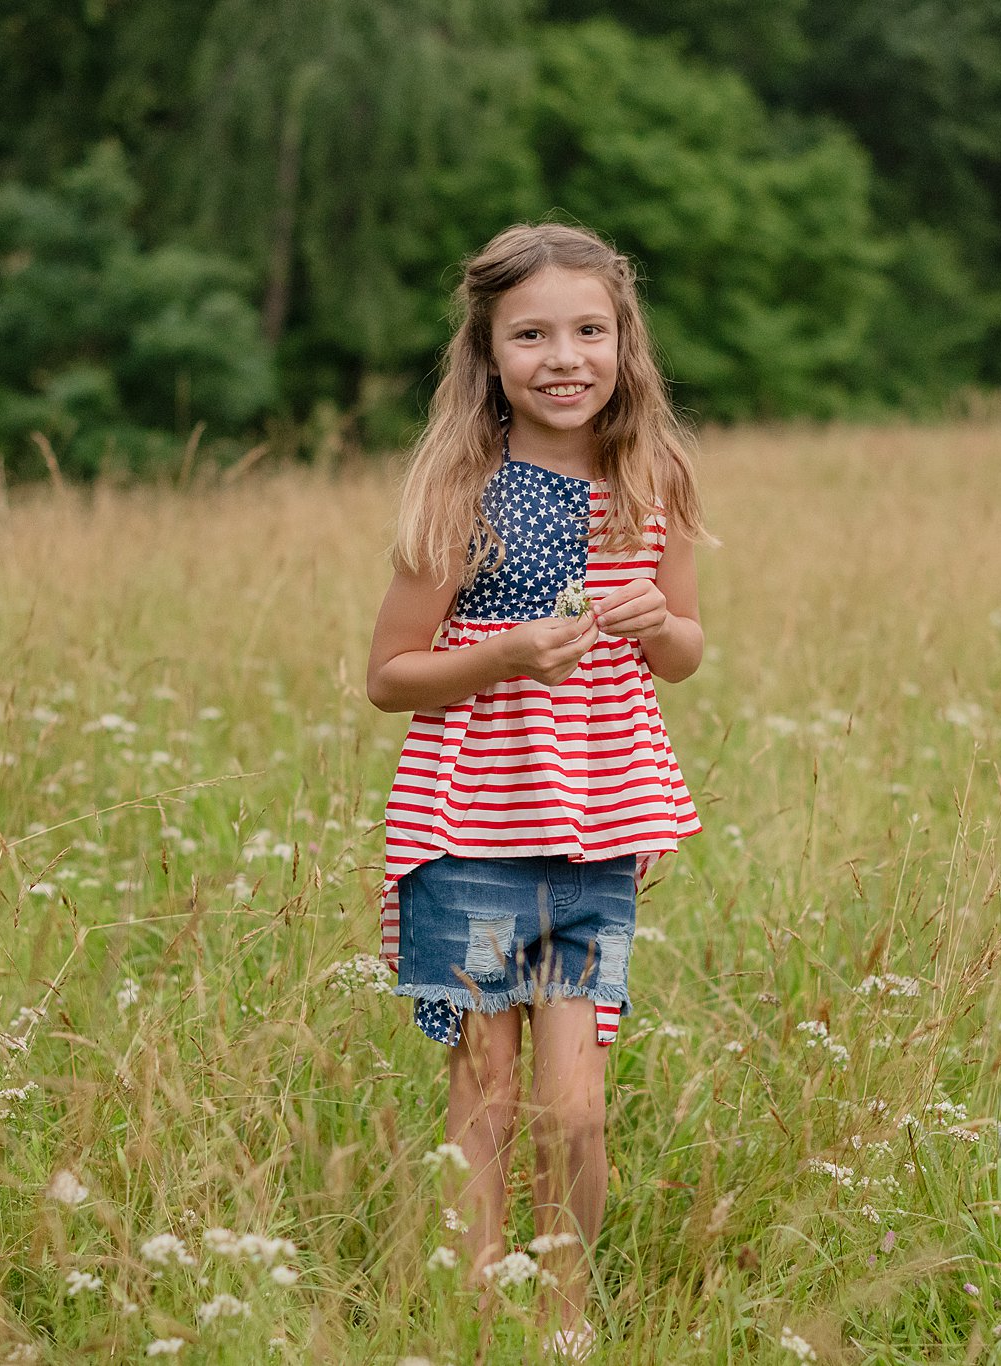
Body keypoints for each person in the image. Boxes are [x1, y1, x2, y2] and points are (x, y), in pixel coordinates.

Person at [365, 221, 709, 1359]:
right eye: (530, 334)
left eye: (588, 330)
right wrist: (503, 654)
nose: (564, 357)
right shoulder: (463, 489)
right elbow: (388, 676)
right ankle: (473, 1312)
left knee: (576, 1107)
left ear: (623, 341)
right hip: (467, 824)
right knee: (487, 1088)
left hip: (596, 827)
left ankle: (562, 1319)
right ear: (487, 350)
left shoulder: (650, 477)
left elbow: (683, 649)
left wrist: (663, 626)